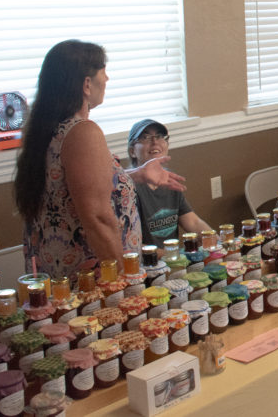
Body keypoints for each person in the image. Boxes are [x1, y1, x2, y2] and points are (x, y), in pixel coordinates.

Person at [14, 40, 185, 281]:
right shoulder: (83, 133)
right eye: (103, 72)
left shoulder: (47, 132)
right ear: (86, 84)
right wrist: (124, 280)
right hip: (93, 280)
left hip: (60, 276)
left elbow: (75, 189)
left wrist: (136, 174)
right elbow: (98, 217)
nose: (107, 79)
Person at [128, 118, 213, 246]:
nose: (155, 142)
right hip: (145, 263)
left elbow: (193, 223)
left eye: (160, 136)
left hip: (173, 260)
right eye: (145, 137)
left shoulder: (169, 182)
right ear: (132, 151)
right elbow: (128, 243)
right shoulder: (126, 187)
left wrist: (217, 239)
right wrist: (167, 255)